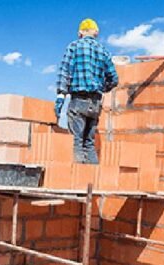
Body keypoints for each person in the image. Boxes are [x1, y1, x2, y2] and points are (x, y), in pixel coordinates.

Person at [55, 18, 118, 164]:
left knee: (76, 142)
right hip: (95, 103)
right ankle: (93, 181)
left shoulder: (74, 47)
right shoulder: (103, 51)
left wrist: (60, 96)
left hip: (79, 100)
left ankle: (77, 180)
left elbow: (64, 72)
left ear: (80, 32)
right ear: (96, 32)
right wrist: (102, 88)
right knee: (89, 143)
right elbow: (114, 79)